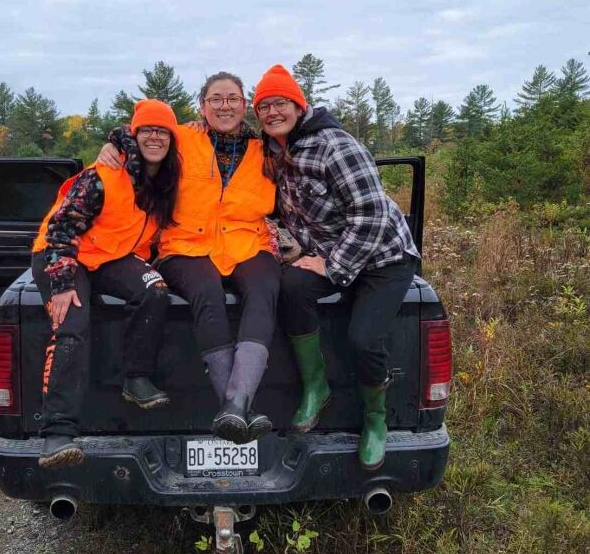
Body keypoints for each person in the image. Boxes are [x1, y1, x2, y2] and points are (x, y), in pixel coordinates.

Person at [252, 65, 421, 470]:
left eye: (281, 103)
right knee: (290, 288)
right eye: (264, 106)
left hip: (383, 257)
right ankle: (316, 386)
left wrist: (332, 267)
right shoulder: (273, 149)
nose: (273, 112)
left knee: (363, 338)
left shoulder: (334, 145)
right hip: (330, 252)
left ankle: (375, 420)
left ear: (299, 104)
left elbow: (371, 214)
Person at [98, 73, 280, 445]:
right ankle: (235, 406)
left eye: (232, 98)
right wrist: (114, 143)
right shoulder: (182, 137)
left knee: (264, 291)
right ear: (202, 106)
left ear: (245, 106)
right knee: (207, 293)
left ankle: (235, 405)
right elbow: (142, 129)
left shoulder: (267, 150)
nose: (224, 106)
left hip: (247, 244)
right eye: (215, 99)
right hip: (184, 246)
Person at [31, 99, 181, 469]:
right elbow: (61, 228)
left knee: (154, 290)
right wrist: (63, 282)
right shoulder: (102, 175)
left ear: (172, 139)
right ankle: (57, 432)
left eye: (162, 130)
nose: (154, 137)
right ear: (135, 133)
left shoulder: (165, 181)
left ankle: (136, 377)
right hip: (62, 255)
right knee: (73, 325)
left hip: (109, 257)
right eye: (146, 129)